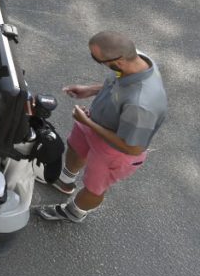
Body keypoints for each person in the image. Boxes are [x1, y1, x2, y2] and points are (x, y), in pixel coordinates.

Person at [35, 31, 167, 224]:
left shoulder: (141, 104)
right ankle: (65, 181)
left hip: (115, 150)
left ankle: (74, 212)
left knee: (93, 188)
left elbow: (132, 148)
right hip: (95, 124)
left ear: (119, 60)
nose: (97, 62)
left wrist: (88, 122)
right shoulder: (136, 60)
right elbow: (118, 83)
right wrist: (91, 90)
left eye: (97, 60)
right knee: (76, 147)